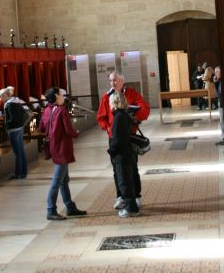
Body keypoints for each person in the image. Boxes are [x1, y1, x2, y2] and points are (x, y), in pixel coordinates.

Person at [97, 71, 150, 210]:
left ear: (122, 80)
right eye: (110, 81)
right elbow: (101, 118)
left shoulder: (131, 94)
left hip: (129, 136)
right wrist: (108, 129)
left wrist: (136, 117)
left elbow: (144, 109)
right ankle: (121, 196)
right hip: (113, 137)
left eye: (115, 80)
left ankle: (136, 196)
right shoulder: (106, 97)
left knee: (132, 166)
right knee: (117, 169)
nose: (112, 83)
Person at [38, 87, 87, 221]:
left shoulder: (47, 110)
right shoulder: (61, 110)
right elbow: (69, 130)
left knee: (64, 181)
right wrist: (76, 133)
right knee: (57, 181)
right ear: (55, 96)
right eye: (60, 94)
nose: (62, 96)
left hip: (53, 148)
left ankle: (70, 208)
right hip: (62, 148)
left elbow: (41, 127)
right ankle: (51, 209)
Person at [108, 91, 140, 217]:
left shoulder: (118, 117)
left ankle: (130, 208)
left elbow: (117, 139)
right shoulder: (125, 114)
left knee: (123, 182)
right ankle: (133, 206)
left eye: (110, 102)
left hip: (121, 154)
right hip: (128, 153)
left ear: (114, 102)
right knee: (128, 180)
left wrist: (111, 151)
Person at [0, 86, 32, 180]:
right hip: (20, 129)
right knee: (21, 152)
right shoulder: (16, 101)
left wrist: (5, 124)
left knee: (17, 153)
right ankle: (23, 172)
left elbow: (12, 119)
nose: (0, 100)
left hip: (13, 130)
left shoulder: (9, 104)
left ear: (4, 95)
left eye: (0, 97)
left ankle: (18, 173)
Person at [214, 66, 224, 146]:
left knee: (222, 122)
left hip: (223, 104)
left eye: (217, 72)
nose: (215, 74)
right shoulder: (220, 81)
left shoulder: (223, 81)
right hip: (221, 103)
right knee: (222, 122)